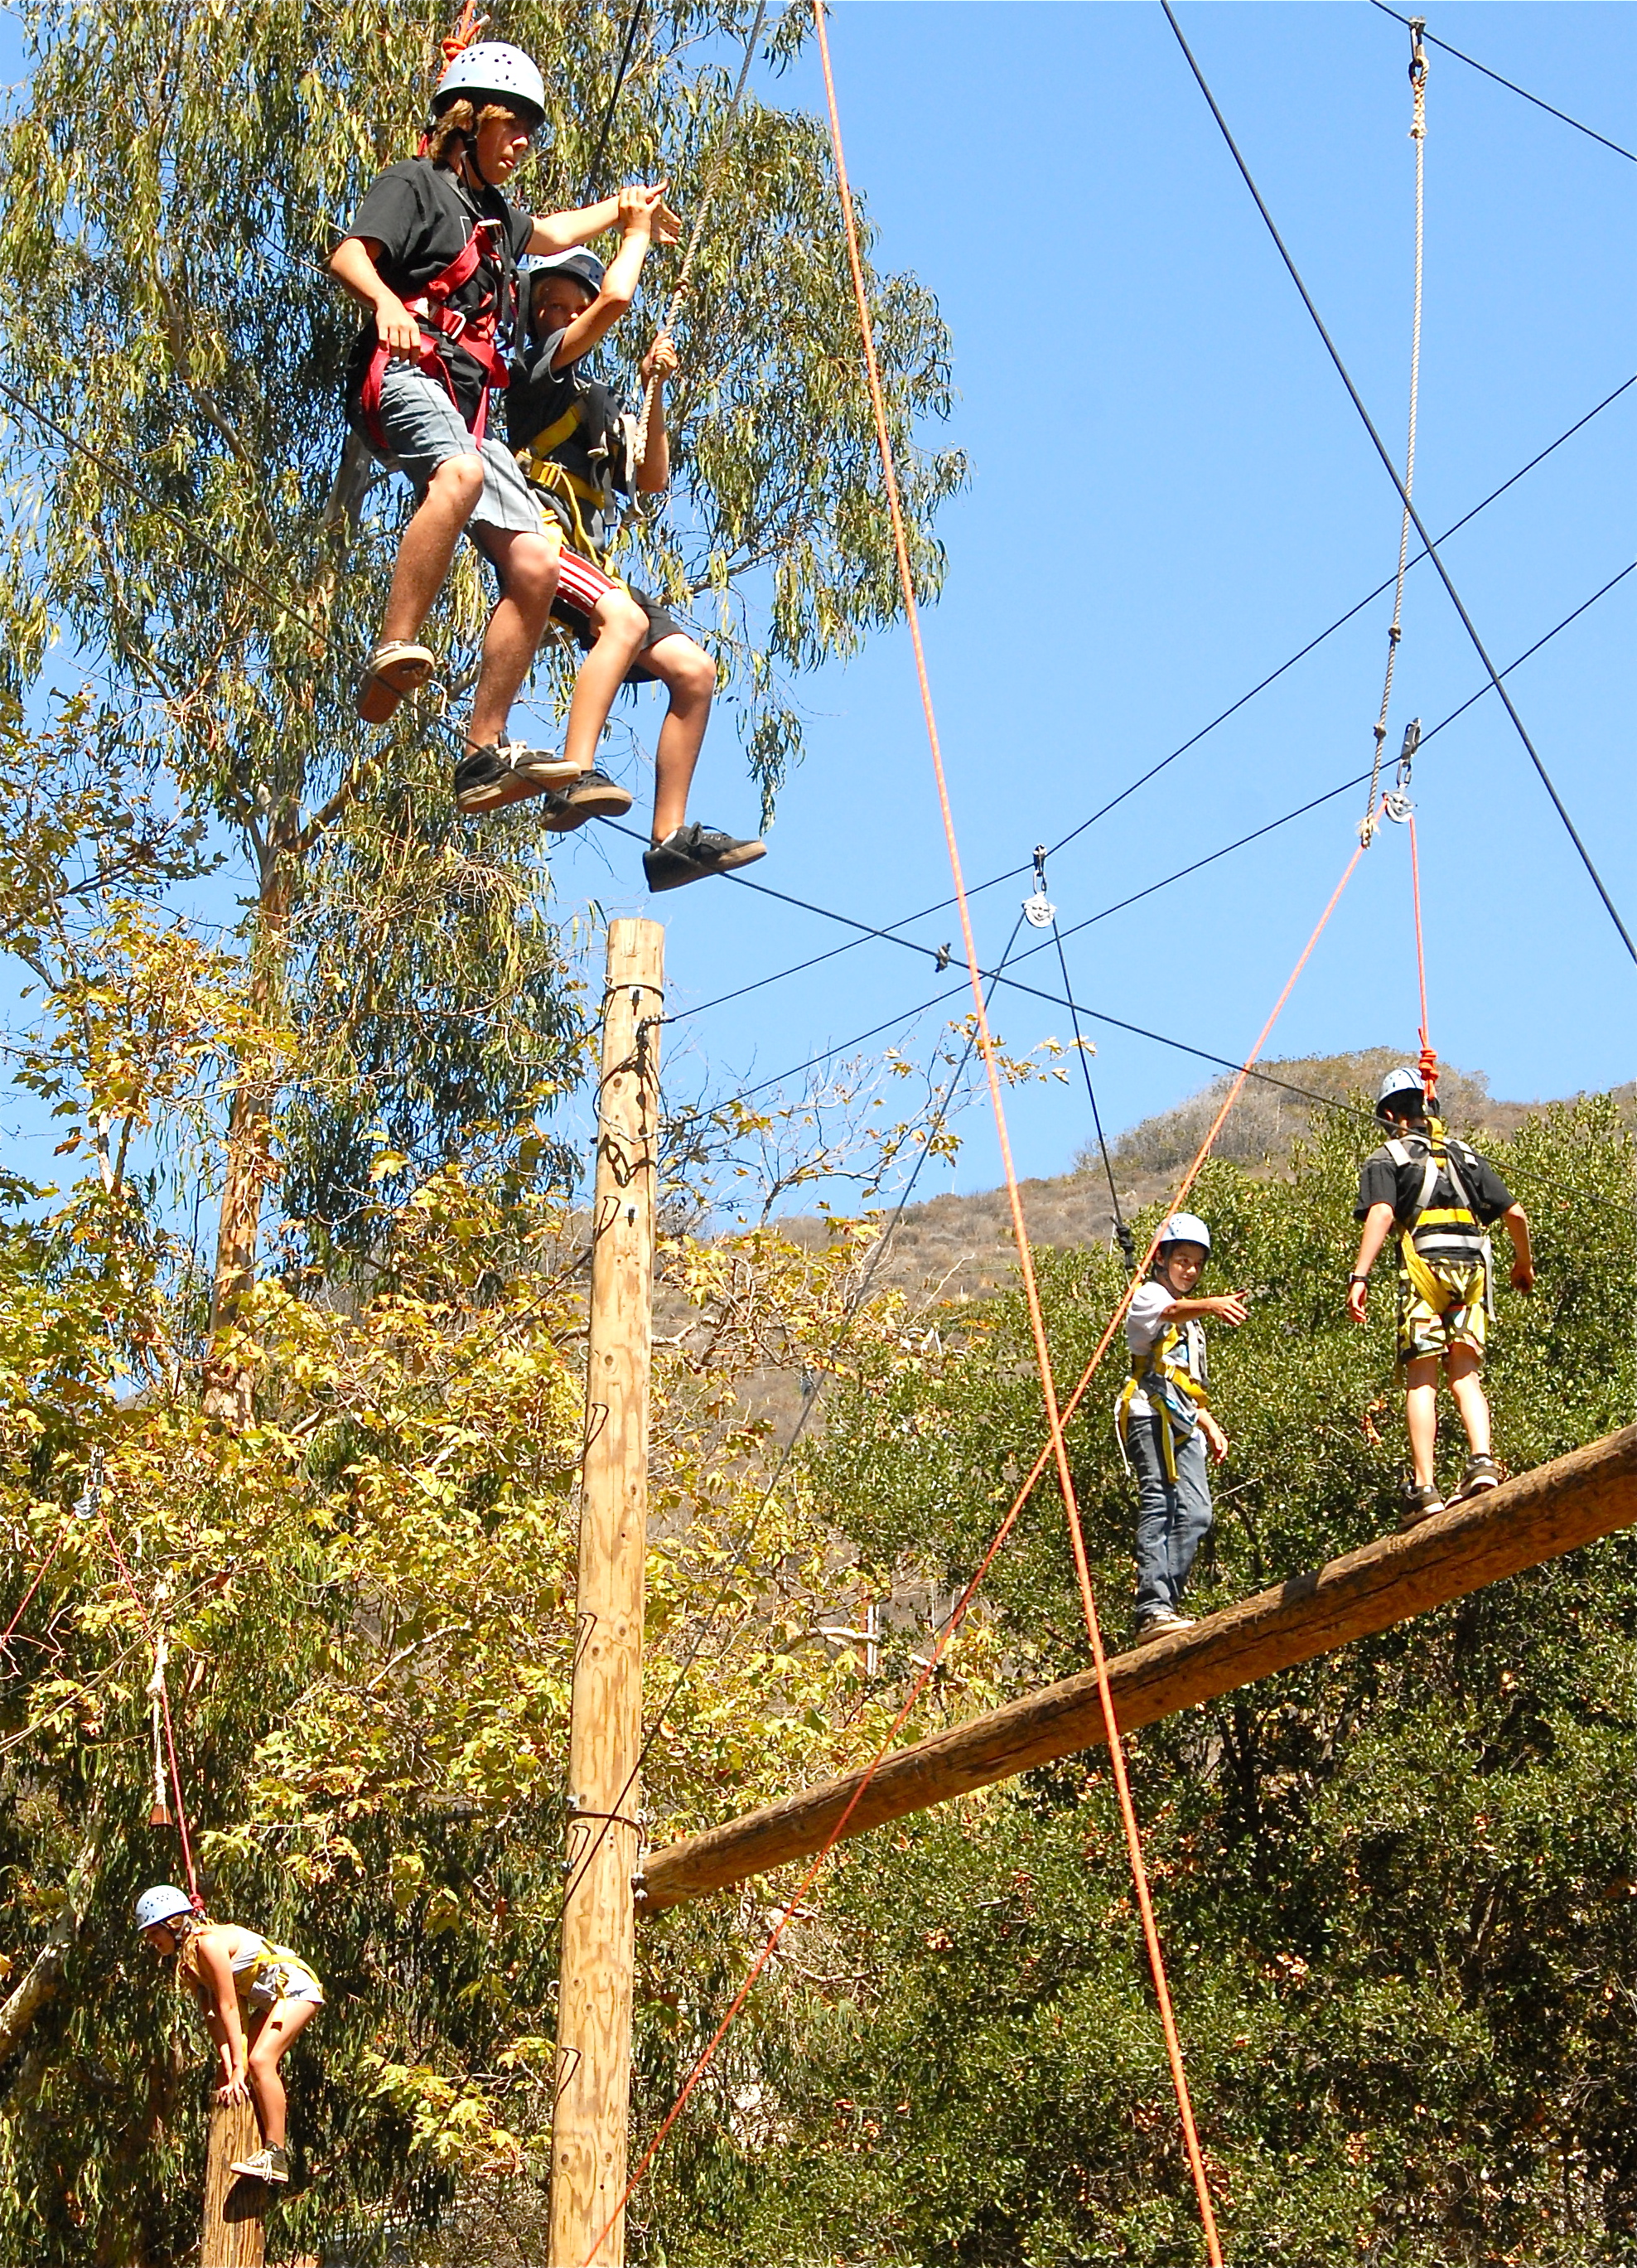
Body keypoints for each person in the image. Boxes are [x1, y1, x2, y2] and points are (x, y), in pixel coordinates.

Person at [328, 40, 679, 816]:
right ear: (468, 121)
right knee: (460, 477)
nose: (523, 143)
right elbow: (350, 253)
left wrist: (628, 214)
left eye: (531, 130)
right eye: (512, 125)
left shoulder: (497, 217)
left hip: (468, 406)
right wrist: (386, 304)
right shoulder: (414, 184)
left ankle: (482, 752)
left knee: (536, 566)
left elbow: (554, 233)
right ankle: (396, 641)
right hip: (408, 374)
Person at [506, 244, 766, 891]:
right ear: (535, 315)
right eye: (552, 307)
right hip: (540, 537)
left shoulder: (599, 398)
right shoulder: (532, 371)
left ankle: (669, 840)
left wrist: (654, 388)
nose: (563, 316)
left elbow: (650, 479)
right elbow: (605, 311)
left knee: (695, 671)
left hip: (590, 558)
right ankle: (573, 775)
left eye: (575, 307)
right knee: (620, 621)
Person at [1348, 1066, 1533, 1526]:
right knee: (1465, 1374)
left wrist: (1360, 1275)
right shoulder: (1465, 1156)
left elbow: (1384, 1214)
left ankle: (1426, 1487)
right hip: (1472, 1275)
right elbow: (1515, 1213)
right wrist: (1523, 1265)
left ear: (1390, 1113)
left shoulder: (1386, 1156)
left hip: (1424, 1272)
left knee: (1422, 1379)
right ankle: (1482, 1462)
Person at [136, 1884, 324, 2186]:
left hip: (294, 1989)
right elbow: (213, 2017)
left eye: (153, 1933)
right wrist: (230, 2068)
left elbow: (229, 2005)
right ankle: (260, 2144)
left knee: (260, 2061)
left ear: (172, 1924)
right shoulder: (187, 1965)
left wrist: (240, 2067)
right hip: (270, 1999)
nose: (151, 1941)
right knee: (240, 2073)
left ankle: (276, 2154)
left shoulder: (207, 1945)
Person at [1115, 1213, 1247, 1642]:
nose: (1189, 1270)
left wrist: (1208, 1423)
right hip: (1148, 1414)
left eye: (1195, 1263)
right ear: (1162, 1260)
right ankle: (1152, 1606)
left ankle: (1166, 1602)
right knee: (1160, 1499)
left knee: (1198, 1512)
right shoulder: (1148, 1297)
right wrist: (1212, 1303)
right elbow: (1168, 1311)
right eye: (1181, 1260)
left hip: (1183, 1418)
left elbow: (1181, 1378)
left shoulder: (1190, 1321)